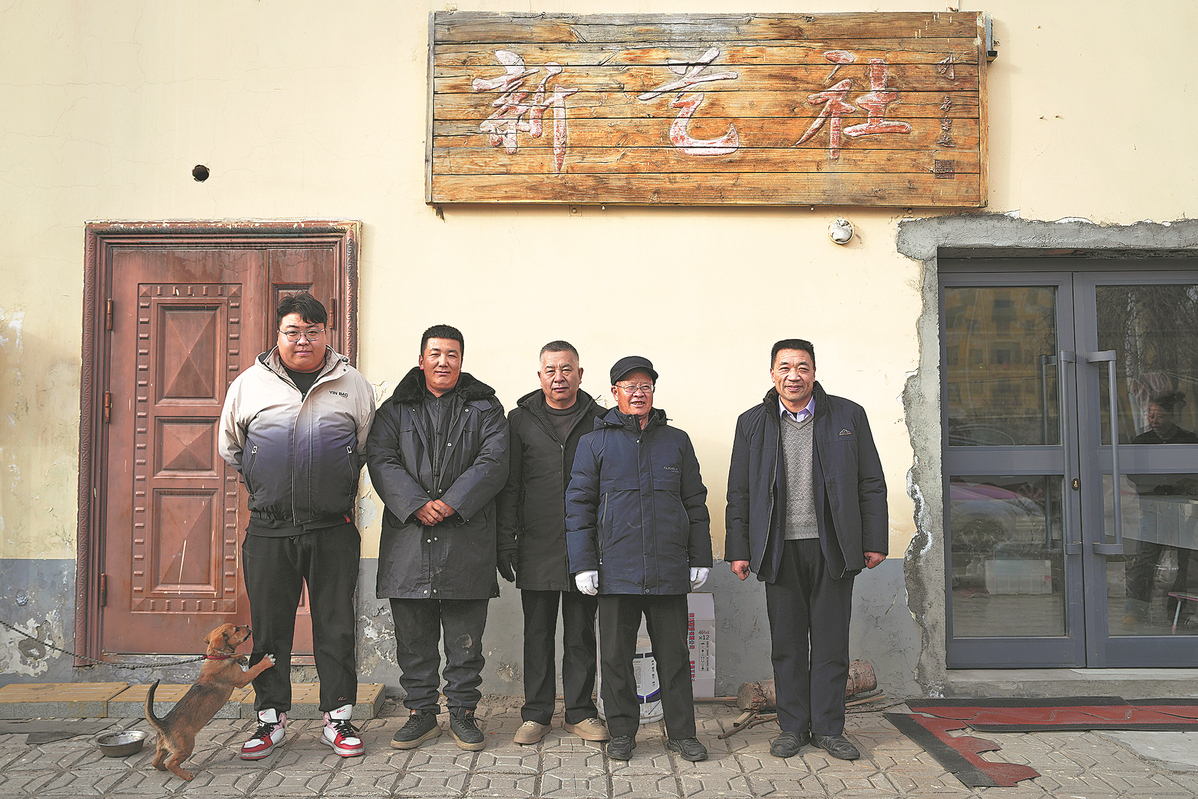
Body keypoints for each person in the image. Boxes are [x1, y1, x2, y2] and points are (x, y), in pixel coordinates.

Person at [218, 292, 375, 760]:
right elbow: (232, 448)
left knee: (335, 625)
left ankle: (338, 718)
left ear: (326, 333)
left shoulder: (351, 383)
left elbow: (363, 446)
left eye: (312, 331)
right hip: (269, 531)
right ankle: (270, 721)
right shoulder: (249, 384)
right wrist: (270, 485)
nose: (302, 340)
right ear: (278, 334)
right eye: (293, 331)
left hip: (332, 528)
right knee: (270, 630)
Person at [725, 339, 887, 761]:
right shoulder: (751, 423)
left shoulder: (848, 416)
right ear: (772, 373)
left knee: (832, 644)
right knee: (788, 645)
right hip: (778, 549)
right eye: (784, 367)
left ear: (814, 372)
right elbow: (739, 491)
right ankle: (793, 727)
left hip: (833, 546)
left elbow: (871, 482)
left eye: (802, 367)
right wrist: (739, 549)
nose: (793, 375)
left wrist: (874, 540)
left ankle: (830, 729)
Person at [366, 325, 509, 751]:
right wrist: (414, 503)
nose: (443, 362)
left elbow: (494, 461)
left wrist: (451, 502)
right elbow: (380, 458)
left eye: (452, 354)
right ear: (421, 359)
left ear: (462, 360)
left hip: (466, 540)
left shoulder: (485, 408)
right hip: (409, 541)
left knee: (466, 640)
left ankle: (463, 712)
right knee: (414, 640)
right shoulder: (395, 410)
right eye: (435, 354)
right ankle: (421, 714)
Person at [566, 356, 712, 763]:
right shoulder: (594, 443)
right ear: (615, 392)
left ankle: (682, 733)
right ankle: (622, 732)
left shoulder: (676, 441)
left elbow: (694, 501)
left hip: (667, 568)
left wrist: (700, 556)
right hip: (616, 570)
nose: (638, 393)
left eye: (645, 386)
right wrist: (583, 563)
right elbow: (578, 506)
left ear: (653, 391)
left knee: (674, 657)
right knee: (615, 657)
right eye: (629, 387)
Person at [497, 341, 609, 746]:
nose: (559, 377)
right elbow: (510, 485)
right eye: (551, 370)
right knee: (538, 633)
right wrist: (505, 542)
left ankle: (580, 712)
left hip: (585, 546)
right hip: (536, 542)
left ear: (580, 374)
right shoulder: (519, 421)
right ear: (540, 376)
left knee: (581, 632)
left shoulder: (600, 420)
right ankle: (536, 714)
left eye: (567, 369)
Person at [1123, 391, 1198, 628]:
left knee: (1185, 562)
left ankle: (1177, 611)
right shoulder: (1141, 442)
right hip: (1153, 509)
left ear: (1173, 416)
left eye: (1160, 416)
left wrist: (1178, 485)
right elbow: (1133, 474)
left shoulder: (1189, 441)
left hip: (1183, 511)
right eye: (1150, 414)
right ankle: (1136, 611)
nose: (1153, 420)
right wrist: (1159, 486)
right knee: (1145, 559)